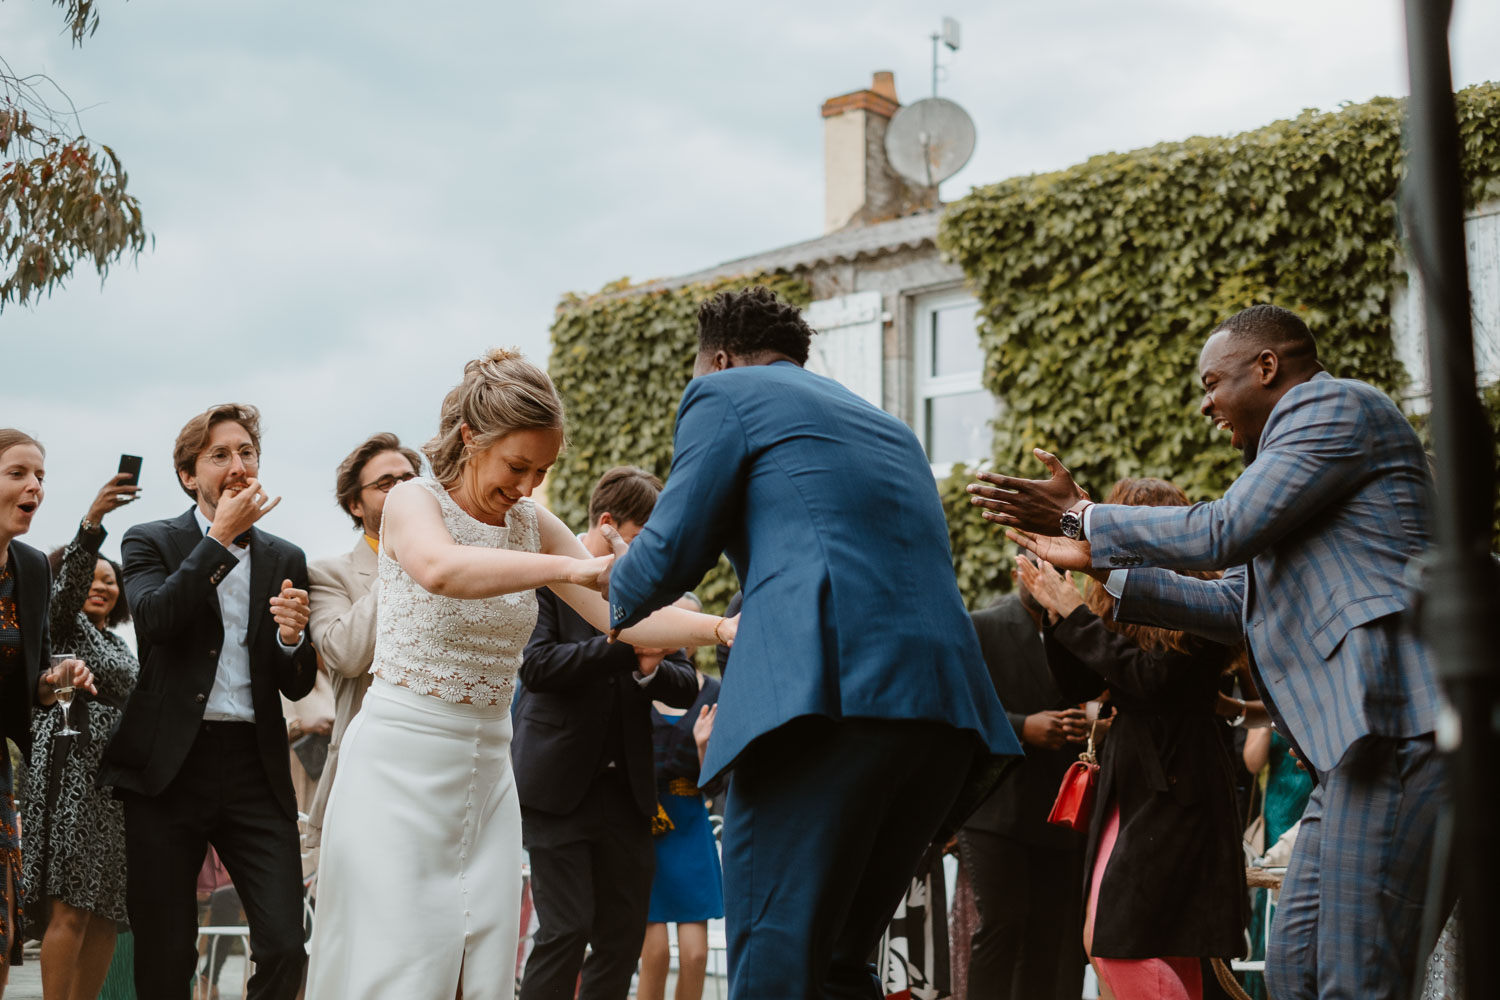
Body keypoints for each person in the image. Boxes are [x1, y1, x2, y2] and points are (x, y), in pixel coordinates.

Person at [973, 303, 1444, 1000]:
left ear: (1266, 366)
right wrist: (1097, 563)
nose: (1205, 405)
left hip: (1397, 727)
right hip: (1347, 754)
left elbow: (1223, 530)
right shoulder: (1292, 483)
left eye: (1210, 383)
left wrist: (1085, 516)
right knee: (1298, 970)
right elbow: (1231, 604)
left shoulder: (1331, 408)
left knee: (1356, 978)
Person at [600, 287, 1022, 999]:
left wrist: (605, 574)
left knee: (772, 963)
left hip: (825, 705)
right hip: (944, 715)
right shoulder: (889, 428)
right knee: (836, 964)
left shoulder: (724, 393)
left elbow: (667, 556)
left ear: (722, 358)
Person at [303, 349, 736, 1000]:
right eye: (518, 466)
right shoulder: (412, 503)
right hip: (399, 769)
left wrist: (719, 629)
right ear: (471, 437)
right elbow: (442, 570)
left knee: (480, 966)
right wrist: (569, 569)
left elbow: (623, 619)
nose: (529, 486)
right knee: (404, 966)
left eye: (543, 470)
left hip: (487, 777)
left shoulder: (530, 523)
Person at [101, 404, 319, 1000]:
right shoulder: (150, 539)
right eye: (219, 455)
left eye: (246, 451)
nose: (237, 464)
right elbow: (155, 621)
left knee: (283, 944)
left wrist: (293, 638)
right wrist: (219, 537)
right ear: (187, 476)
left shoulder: (285, 557)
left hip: (255, 764)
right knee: (167, 951)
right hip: (169, 768)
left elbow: (297, 682)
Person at [1014, 478, 1247, 1000]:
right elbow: (1078, 684)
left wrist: (1074, 615)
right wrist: (1056, 612)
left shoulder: (1205, 603)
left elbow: (1152, 682)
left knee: (1119, 943)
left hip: (1178, 786)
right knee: (1142, 941)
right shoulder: (1115, 601)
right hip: (1131, 782)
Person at [514, 467, 700, 1000]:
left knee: (621, 940)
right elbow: (538, 667)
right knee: (565, 930)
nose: (652, 555)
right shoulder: (551, 578)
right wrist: (626, 648)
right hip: (557, 786)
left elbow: (683, 682)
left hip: (629, 795)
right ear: (608, 523)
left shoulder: (651, 590)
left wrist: (649, 667)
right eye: (644, 539)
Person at [25, 472, 141, 1000]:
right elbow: (67, 588)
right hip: (72, 771)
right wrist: (93, 523)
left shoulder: (118, 645)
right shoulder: (60, 625)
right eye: (90, 577)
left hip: (117, 785)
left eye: (110, 579)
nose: (101, 583)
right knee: (70, 904)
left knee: (106, 912)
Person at [0, 430, 98, 995]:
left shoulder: (33, 567)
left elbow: (26, 681)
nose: (34, 486)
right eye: (18, 473)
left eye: (40, 476)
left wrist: (52, 683)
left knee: (2, 931)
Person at [958, 586, 1088, 1000]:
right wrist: (1023, 727)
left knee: (1048, 939)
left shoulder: (1078, 631)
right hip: (996, 810)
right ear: (1020, 570)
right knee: (1002, 926)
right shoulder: (982, 626)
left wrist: (1087, 728)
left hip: (1059, 810)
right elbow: (960, 707)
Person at [305, 432, 422, 849]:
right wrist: (398, 559)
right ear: (355, 503)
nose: (402, 490)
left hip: (444, 762)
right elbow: (347, 655)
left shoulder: (450, 563)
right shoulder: (327, 574)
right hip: (369, 772)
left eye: (410, 479)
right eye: (386, 483)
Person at [636, 638, 723, 1000]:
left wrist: (704, 747)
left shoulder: (716, 691)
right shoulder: (637, 683)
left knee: (696, 953)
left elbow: (717, 784)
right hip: (645, 823)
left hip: (690, 822)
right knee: (654, 954)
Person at [1241, 725, 1314, 1000]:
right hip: (1279, 811)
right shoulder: (1272, 694)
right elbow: (1252, 761)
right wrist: (1266, 719)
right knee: (1272, 897)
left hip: (1315, 799)